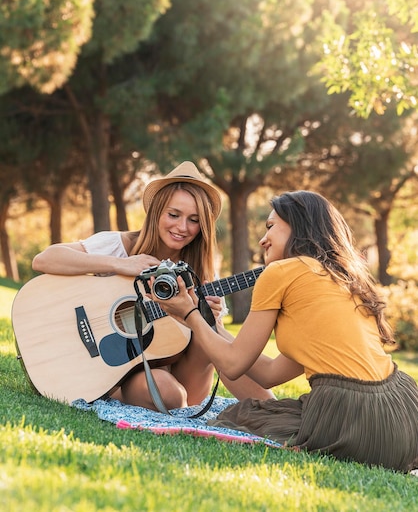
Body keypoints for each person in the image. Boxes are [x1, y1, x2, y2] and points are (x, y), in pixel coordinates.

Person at [153, 190, 418, 472]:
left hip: (349, 412)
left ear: (300, 225)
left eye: (270, 227)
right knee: (269, 411)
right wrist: (213, 326)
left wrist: (189, 314)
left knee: (241, 415)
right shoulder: (340, 278)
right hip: (404, 413)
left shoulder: (281, 271)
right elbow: (269, 374)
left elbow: (232, 365)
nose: (262, 239)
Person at [32, 161, 273, 410]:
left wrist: (207, 321)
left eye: (194, 220)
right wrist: (118, 265)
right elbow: (44, 259)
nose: (182, 227)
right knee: (168, 394)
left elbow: (222, 352)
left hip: (182, 378)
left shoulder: (200, 272)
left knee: (198, 353)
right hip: (132, 377)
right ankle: (102, 387)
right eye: (174, 215)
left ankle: (274, 412)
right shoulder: (121, 245)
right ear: (157, 211)